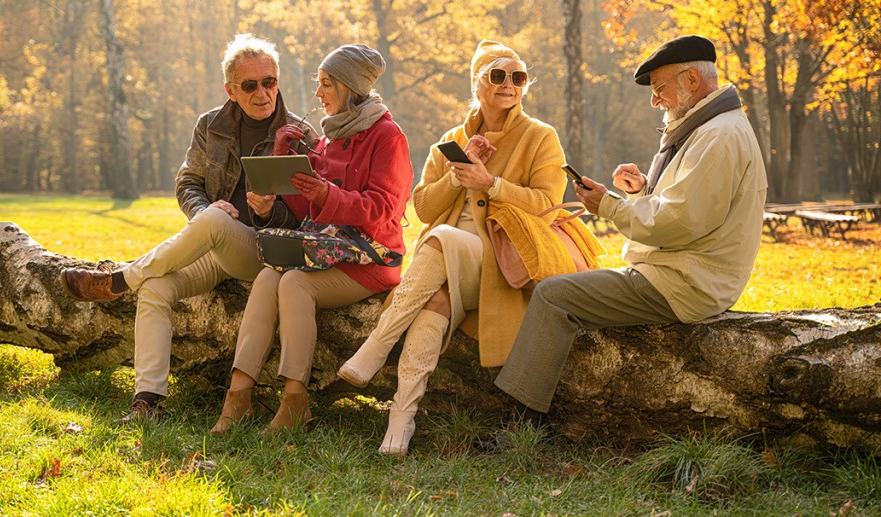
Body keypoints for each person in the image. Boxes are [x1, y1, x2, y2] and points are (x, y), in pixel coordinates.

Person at [492, 35, 768, 433]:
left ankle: (521, 426)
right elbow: (686, 209)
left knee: (554, 295)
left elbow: (678, 224)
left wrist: (608, 205)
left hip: (684, 282)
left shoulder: (718, 136)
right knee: (564, 288)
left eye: (660, 89)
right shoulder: (710, 128)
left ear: (691, 79)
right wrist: (640, 192)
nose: (656, 101)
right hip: (683, 271)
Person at [58, 34, 317, 422]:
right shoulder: (210, 125)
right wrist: (201, 210)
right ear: (231, 90)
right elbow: (188, 183)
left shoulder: (300, 135)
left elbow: (308, 218)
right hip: (214, 244)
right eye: (250, 85)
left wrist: (267, 213)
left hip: (263, 254)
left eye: (270, 81)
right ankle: (148, 402)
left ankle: (119, 280)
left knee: (210, 222)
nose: (263, 92)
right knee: (156, 288)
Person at [338, 40, 573, 456]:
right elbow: (425, 205)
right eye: (498, 75)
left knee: (441, 238)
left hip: (500, 260)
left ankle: (375, 348)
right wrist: (457, 171)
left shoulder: (540, 136)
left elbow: (547, 205)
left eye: (518, 77)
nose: (510, 85)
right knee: (437, 303)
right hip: (449, 264)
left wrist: (491, 184)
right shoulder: (452, 138)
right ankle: (400, 420)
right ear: (477, 84)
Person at [209, 44, 412, 435]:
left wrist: (326, 195)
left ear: (349, 87)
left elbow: (384, 208)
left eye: (326, 85)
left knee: (295, 282)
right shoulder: (332, 134)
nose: (318, 94)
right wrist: (283, 162)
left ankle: (295, 400)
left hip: (370, 258)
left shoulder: (388, 136)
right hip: (326, 250)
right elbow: (307, 209)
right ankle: (238, 395)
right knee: (270, 275)